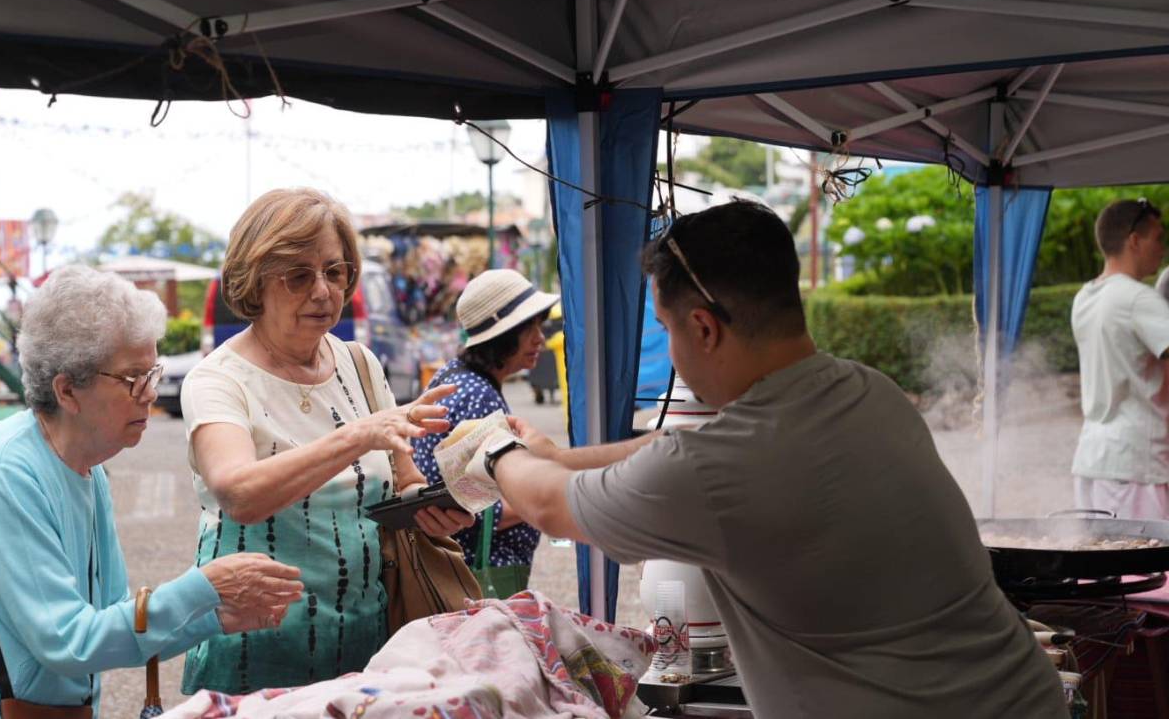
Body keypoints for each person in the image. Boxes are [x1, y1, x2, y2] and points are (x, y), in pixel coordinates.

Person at [469, 201, 1067, 718]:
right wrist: (562, 456)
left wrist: (494, 449)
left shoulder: (716, 470)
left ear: (704, 328)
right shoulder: (868, 392)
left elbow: (547, 505)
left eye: (667, 329)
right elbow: (683, 449)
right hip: (1024, 696)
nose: (672, 351)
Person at [0, 265, 305, 719]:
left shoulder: (86, 467)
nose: (151, 393)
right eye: (133, 378)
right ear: (67, 390)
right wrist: (204, 587)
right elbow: (69, 641)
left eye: (152, 372)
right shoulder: (3, 472)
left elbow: (114, 618)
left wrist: (217, 615)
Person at [180, 187, 472, 695]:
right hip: (254, 653)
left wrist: (432, 507)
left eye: (334, 272)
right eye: (298, 276)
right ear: (255, 280)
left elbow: (403, 481)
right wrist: (357, 435)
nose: (322, 290)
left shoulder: (359, 364)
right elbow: (239, 494)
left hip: (365, 641)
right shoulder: (218, 379)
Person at [411, 268, 557, 583]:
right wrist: (547, 497)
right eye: (528, 328)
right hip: (483, 573)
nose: (540, 339)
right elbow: (477, 509)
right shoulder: (479, 397)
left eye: (539, 325)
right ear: (500, 337)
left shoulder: (459, 377)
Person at [1076, 198, 1169, 519]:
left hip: (1092, 459)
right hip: (1133, 467)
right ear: (1134, 241)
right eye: (1158, 238)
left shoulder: (1085, 296)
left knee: (1100, 552)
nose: (1162, 249)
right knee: (1147, 553)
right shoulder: (1137, 298)